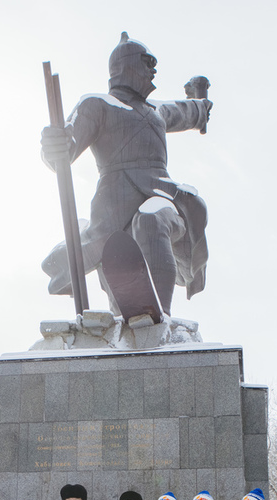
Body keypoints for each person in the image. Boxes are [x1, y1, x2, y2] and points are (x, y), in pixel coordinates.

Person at [39, 32, 212, 315]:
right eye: (148, 61)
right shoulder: (97, 105)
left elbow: (190, 112)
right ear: (126, 65)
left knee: (152, 221)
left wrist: (200, 99)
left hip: (161, 192)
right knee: (116, 252)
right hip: (113, 205)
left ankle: (159, 318)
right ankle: (129, 317)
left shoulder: (156, 110)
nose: (153, 69)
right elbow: (65, 148)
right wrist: (53, 145)